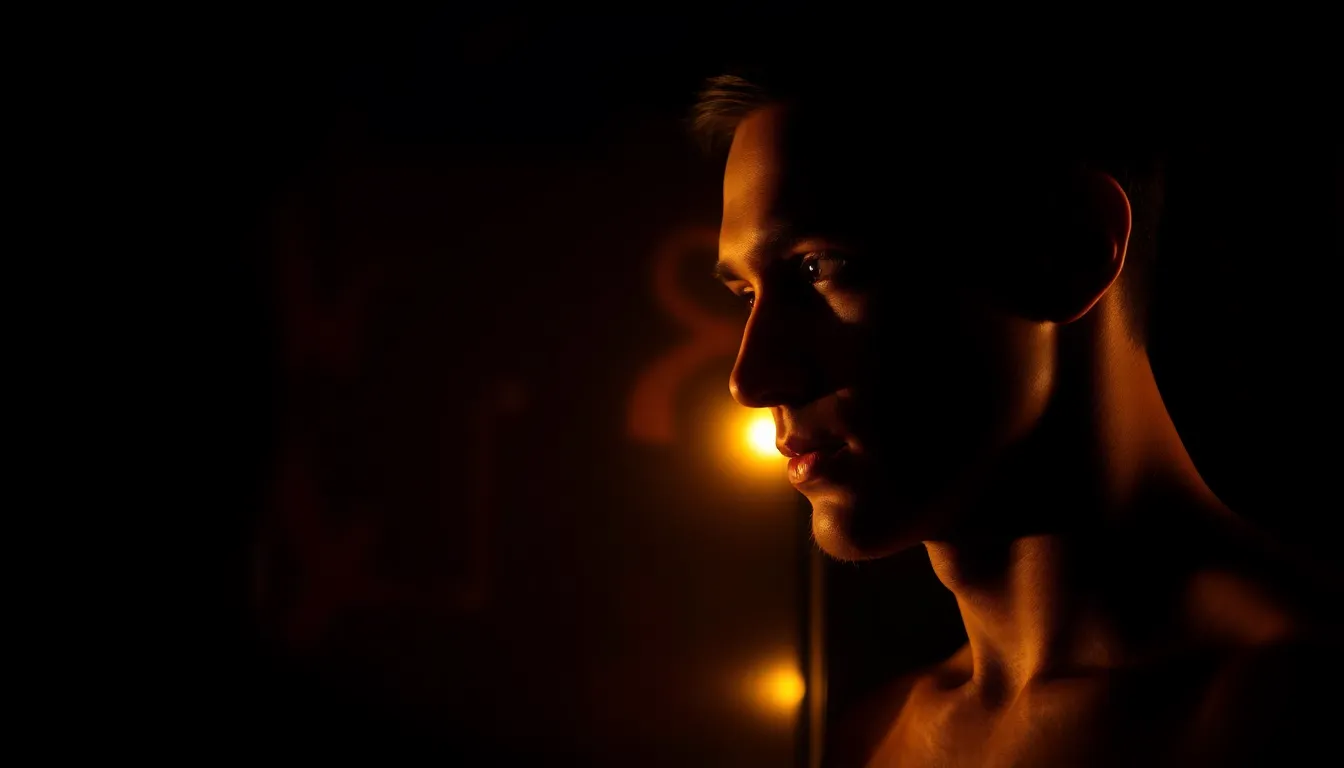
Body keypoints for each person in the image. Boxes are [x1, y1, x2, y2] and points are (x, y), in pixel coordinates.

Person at [695, 62, 1340, 767]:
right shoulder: (871, 739)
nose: (751, 380)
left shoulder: (1300, 706)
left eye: (820, 267)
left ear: (1070, 249)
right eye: (745, 294)